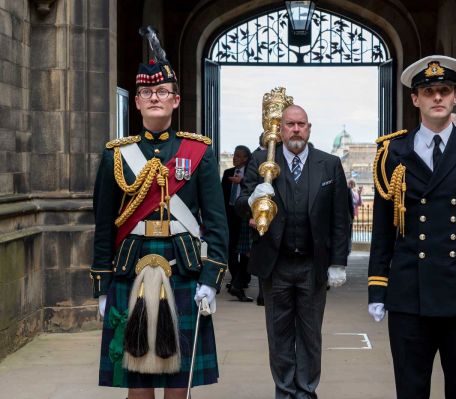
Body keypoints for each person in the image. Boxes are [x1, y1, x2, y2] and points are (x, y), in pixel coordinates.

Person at [90, 29, 228, 399]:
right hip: (129, 268)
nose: (155, 98)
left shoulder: (198, 152)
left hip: (183, 268)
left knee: (177, 379)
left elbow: (216, 222)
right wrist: (102, 287)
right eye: (147, 93)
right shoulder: (116, 155)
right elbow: (104, 224)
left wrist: (210, 278)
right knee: (136, 379)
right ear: (136, 102)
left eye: (162, 92)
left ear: (176, 100)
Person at [368, 55, 456, 399]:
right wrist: (377, 287)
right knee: (411, 390)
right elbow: (384, 230)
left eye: (444, 90)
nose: (437, 97)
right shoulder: (391, 152)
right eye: (428, 91)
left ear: (455, 97)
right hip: (409, 294)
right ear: (415, 99)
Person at [236, 104, 350, 398]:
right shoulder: (263, 161)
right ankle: (285, 391)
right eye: (290, 124)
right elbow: (239, 202)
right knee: (280, 335)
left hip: (313, 266)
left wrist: (338, 263)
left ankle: (307, 392)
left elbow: (341, 219)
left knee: (311, 335)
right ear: (280, 128)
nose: (296, 129)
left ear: (309, 128)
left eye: (301, 124)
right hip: (277, 265)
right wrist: (252, 201)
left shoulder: (329, 164)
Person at [221, 145, 253, 302]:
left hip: (246, 216)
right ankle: (236, 279)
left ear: (246, 159)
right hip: (230, 216)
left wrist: (242, 182)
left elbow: (255, 189)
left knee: (245, 251)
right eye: (234, 155)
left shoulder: (250, 173)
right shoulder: (227, 173)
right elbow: (222, 197)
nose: (235, 158)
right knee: (231, 250)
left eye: (239, 156)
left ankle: (240, 281)